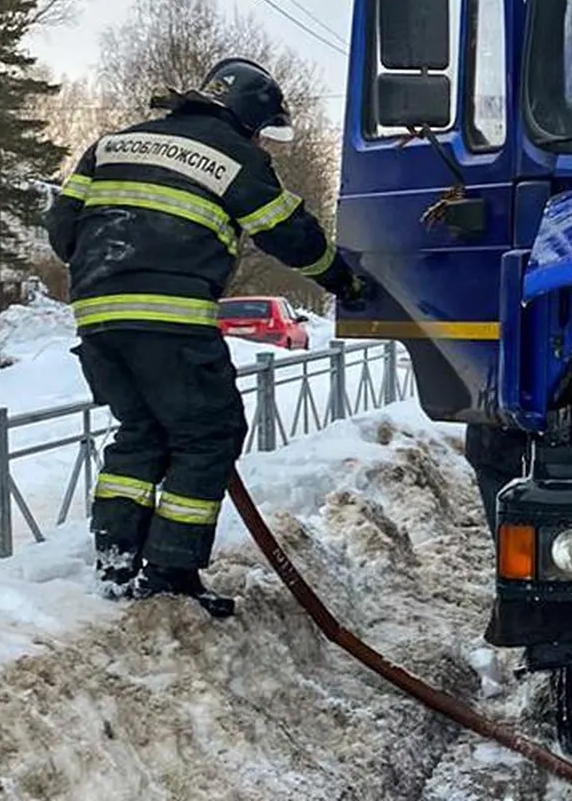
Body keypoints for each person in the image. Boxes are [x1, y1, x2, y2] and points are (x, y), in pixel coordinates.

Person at [44, 57, 368, 618]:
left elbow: (60, 229)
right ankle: (170, 571)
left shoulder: (110, 145)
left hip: (97, 316)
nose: (262, 140)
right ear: (249, 118)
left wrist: (110, 270)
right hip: (169, 319)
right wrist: (345, 280)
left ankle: (117, 561)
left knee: (141, 431)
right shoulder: (236, 158)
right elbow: (291, 236)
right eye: (263, 130)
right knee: (208, 434)